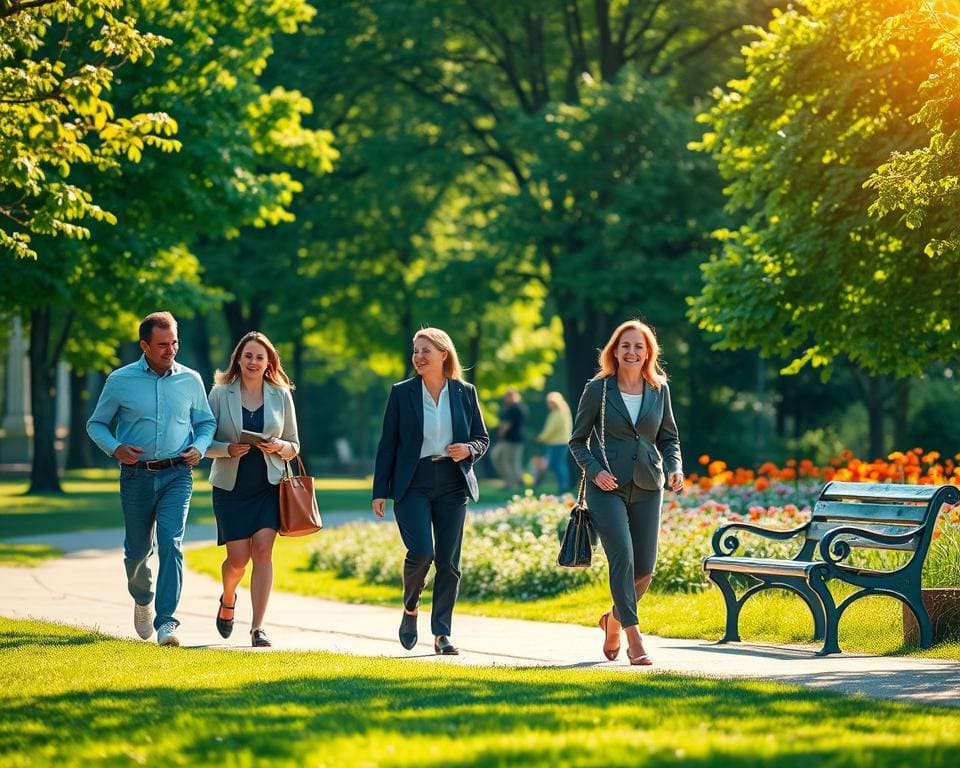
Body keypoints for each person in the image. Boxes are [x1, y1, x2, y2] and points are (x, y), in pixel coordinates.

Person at [87, 311, 216, 647]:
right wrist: (116, 448)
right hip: (136, 477)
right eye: (162, 345)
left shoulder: (190, 380)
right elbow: (96, 424)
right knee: (137, 552)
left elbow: (206, 423)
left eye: (174, 342)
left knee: (171, 543)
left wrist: (200, 447)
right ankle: (142, 598)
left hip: (178, 474)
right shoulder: (120, 381)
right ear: (144, 345)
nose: (170, 350)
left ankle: (167, 622)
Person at [569, 320, 683, 666]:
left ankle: (613, 621)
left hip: (649, 483)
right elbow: (577, 441)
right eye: (625, 346)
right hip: (607, 487)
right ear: (615, 352)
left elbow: (669, 438)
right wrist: (596, 472)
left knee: (645, 568)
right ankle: (634, 639)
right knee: (623, 557)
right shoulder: (598, 389)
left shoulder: (659, 389)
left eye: (638, 346)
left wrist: (675, 467)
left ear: (648, 353)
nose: (632, 352)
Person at [372, 327, 489, 656]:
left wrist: (468, 449)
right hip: (413, 483)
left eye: (426, 350)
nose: (419, 357)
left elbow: (482, 438)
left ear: (443, 354)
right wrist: (380, 490)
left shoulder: (465, 392)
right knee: (423, 552)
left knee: (449, 562)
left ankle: (441, 633)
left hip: (453, 483)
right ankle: (411, 607)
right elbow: (388, 444)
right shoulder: (402, 393)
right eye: (416, 351)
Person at [206, 332, 300, 648]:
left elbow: (295, 445)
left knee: (262, 551)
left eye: (260, 357)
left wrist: (279, 446)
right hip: (231, 488)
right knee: (237, 560)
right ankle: (228, 597)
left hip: (269, 486)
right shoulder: (220, 393)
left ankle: (258, 627)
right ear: (238, 358)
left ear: (269, 362)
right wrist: (227, 449)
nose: (253, 362)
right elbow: (203, 441)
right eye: (248, 355)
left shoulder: (280, 394)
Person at [534, 391, 573, 494]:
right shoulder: (562, 412)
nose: (548, 404)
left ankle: (563, 487)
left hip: (556, 443)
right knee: (558, 465)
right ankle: (563, 486)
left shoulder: (558, 413)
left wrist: (541, 438)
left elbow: (551, 429)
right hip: (559, 442)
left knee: (557, 465)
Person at [491, 389, 526, 491]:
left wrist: (500, 436)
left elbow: (506, 425)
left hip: (510, 439)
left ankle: (512, 484)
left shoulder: (512, 408)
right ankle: (516, 482)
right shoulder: (521, 408)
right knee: (512, 462)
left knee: (505, 461)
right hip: (517, 439)